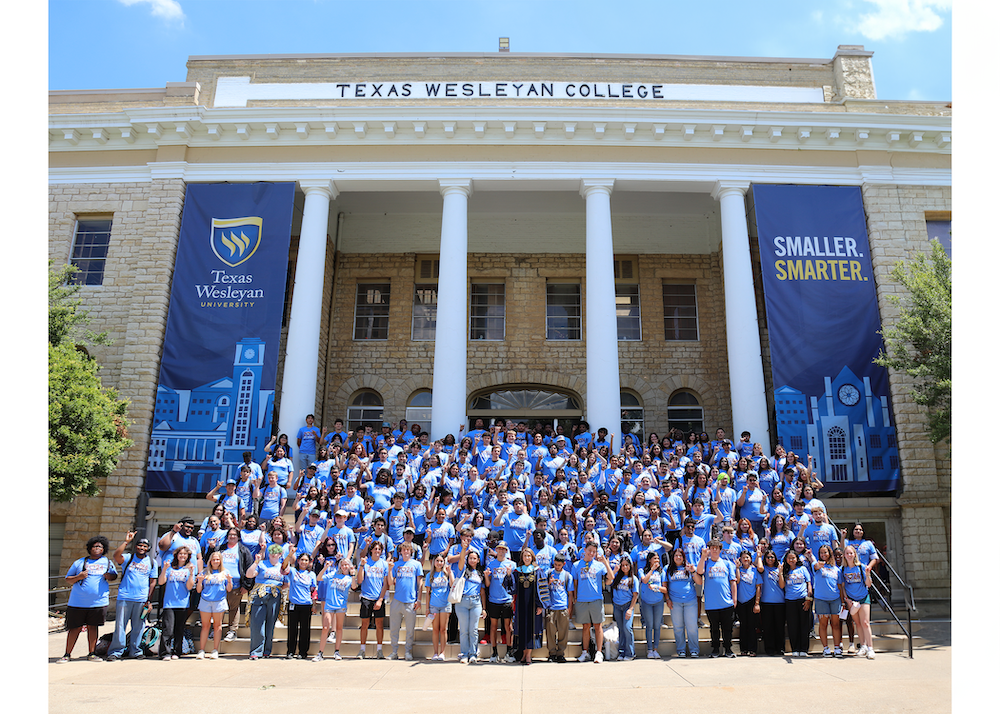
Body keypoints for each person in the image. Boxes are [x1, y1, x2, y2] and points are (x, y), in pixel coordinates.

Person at [60, 536, 119, 663]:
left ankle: (91, 653)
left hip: (99, 602)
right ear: (89, 548)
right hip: (78, 602)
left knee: (93, 627)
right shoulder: (79, 562)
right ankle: (67, 654)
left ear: (104, 549)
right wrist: (79, 576)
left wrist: (109, 576)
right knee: (74, 628)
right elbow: (68, 579)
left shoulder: (107, 563)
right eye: (94, 546)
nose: (97, 548)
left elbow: (114, 576)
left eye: (100, 546)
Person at [107, 532, 157, 661]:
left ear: (148, 548)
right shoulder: (128, 558)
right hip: (125, 597)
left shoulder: (152, 562)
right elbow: (116, 556)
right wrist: (126, 542)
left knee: (139, 626)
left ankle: (136, 650)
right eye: (139, 545)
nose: (142, 548)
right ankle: (117, 651)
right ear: (136, 547)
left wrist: (148, 599)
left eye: (144, 546)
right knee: (120, 626)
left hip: (141, 599)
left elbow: (152, 582)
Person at [696, 538, 738, 658]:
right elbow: (699, 572)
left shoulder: (727, 563)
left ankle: (728, 649)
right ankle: (715, 649)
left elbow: (733, 582)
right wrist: (703, 556)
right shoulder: (706, 562)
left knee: (727, 628)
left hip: (726, 602)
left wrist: (734, 599)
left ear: (720, 550)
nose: (714, 550)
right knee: (714, 628)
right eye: (712, 548)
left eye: (716, 548)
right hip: (711, 603)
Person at [571, 541, 612, 663]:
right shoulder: (576, 565)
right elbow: (575, 582)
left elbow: (610, 578)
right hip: (582, 599)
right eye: (589, 551)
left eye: (594, 551)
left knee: (598, 625)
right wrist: (574, 597)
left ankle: (599, 653)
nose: (591, 553)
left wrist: (605, 561)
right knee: (585, 626)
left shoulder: (599, 565)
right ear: (584, 550)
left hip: (596, 599)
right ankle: (585, 652)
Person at [246, 543, 288, 660]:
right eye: (271, 551)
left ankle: (266, 650)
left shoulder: (282, 567)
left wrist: (276, 588)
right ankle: (256, 651)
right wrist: (255, 562)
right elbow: (249, 574)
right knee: (257, 623)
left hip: (274, 596)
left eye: (276, 552)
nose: (274, 554)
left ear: (280, 554)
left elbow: (286, 583)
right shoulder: (262, 564)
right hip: (260, 594)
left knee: (270, 624)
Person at [157, 545, 196, 660]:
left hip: (182, 603)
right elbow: (161, 582)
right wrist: (164, 569)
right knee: (168, 629)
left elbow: (189, 587)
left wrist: (192, 573)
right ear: (176, 555)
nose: (182, 556)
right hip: (169, 603)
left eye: (185, 554)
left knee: (179, 629)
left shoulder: (188, 570)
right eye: (180, 554)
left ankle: (177, 651)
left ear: (188, 556)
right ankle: (165, 653)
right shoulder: (170, 568)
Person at [313, 556, 355, 661]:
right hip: (329, 604)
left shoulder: (349, 578)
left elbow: (354, 586)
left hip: (341, 605)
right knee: (325, 628)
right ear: (340, 565)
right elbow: (319, 578)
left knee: (339, 628)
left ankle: (337, 651)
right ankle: (320, 653)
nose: (345, 566)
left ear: (349, 566)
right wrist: (325, 568)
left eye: (347, 564)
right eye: (343, 564)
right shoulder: (333, 574)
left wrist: (353, 574)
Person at [388, 541, 423, 661]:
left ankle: (407, 651)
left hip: (410, 600)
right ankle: (394, 651)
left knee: (409, 629)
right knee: (394, 628)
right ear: (400, 551)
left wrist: (419, 599)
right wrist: (389, 569)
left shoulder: (416, 564)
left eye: (408, 550)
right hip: (397, 600)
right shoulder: (396, 565)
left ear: (411, 551)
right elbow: (390, 582)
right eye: (404, 550)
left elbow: (420, 583)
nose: (406, 552)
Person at [195, 549, 233, 659]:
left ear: (220, 561)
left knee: (217, 626)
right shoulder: (204, 572)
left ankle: (215, 650)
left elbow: (229, 589)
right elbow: (198, 590)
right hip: (205, 601)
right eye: (213, 559)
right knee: (205, 626)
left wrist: (230, 581)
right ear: (210, 561)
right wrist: (200, 581)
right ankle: (201, 650)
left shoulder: (225, 572)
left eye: (217, 559)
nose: (215, 561)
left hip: (219, 601)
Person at [484, 541, 517, 663]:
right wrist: (487, 576)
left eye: (504, 549)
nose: (501, 551)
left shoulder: (512, 564)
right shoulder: (491, 564)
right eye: (499, 549)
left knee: (508, 627)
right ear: (496, 550)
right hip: (494, 599)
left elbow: (513, 584)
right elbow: (487, 584)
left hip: (507, 599)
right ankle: (494, 652)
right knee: (493, 627)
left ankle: (509, 651)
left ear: (506, 551)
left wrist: (509, 574)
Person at [356, 540, 389, 659]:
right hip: (366, 597)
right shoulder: (365, 562)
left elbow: (386, 584)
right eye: (375, 549)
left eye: (379, 549)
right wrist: (361, 566)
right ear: (371, 550)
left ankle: (379, 650)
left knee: (379, 624)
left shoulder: (384, 564)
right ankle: (362, 650)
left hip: (378, 598)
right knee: (364, 624)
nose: (377, 551)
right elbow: (359, 581)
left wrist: (380, 600)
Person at [842, 545, 876, 660]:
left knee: (865, 622)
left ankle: (870, 648)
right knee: (858, 624)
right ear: (844, 556)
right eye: (847, 553)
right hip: (852, 600)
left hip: (863, 597)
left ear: (854, 554)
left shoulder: (861, 567)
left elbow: (868, 584)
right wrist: (847, 599)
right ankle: (863, 646)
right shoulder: (843, 569)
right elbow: (843, 586)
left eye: (851, 553)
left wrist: (867, 574)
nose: (849, 555)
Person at [812, 543, 846, 658]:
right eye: (821, 552)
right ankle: (825, 648)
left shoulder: (836, 569)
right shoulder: (816, 566)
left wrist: (842, 601)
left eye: (825, 552)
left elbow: (840, 586)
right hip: (821, 599)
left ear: (829, 553)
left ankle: (837, 648)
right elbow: (816, 566)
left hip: (835, 599)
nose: (823, 554)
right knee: (823, 624)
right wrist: (818, 563)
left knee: (836, 624)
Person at [455, 541, 486, 663]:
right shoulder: (462, 570)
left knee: (473, 629)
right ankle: (464, 653)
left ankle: (473, 653)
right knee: (464, 629)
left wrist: (484, 608)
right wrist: (464, 549)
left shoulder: (480, 573)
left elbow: (483, 592)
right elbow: (461, 559)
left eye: (474, 558)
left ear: (478, 560)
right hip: (462, 601)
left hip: (476, 601)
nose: (472, 560)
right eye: (470, 558)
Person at [511, 548, 544, 664]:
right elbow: (513, 589)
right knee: (522, 629)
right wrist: (507, 575)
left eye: (529, 556)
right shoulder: (517, 571)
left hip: (533, 605)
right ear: (522, 558)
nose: (527, 558)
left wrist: (540, 605)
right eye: (524, 556)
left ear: (532, 557)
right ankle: (524, 655)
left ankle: (528, 655)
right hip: (520, 605)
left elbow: (542, 589)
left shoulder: (538, 571)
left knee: (531, 629)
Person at [779, 548, 813, 657]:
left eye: (793, 558)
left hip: (803, 599)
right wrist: (780, 572)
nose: (791, 560)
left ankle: (804, 649)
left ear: (796, 558)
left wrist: (809, 598)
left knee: (804, 625)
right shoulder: (785, 571)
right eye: (789, 558)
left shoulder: (803, 569)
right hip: (790, 600)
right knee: (793, 626)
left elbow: (809, 584)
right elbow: (782, 586)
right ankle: (795, 648)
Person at [665, 548, 699, 658]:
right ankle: (681, 650)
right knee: (678, 626)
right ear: (672, 557)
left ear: (684, 557)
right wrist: (668, 599)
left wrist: (693, 571)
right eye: (676, 555)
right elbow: (665, 586)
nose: (678, 557)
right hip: (675, 602)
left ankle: (694, 650)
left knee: (692, 626)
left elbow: (699, 582)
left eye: (680, 555)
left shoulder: (688, 567)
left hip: (690, 601)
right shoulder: (667, 568)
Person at [284, 548, 317, 659]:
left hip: (306, 604)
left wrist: (314, 604)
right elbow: (283, 567)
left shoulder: (311, 574)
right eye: (302, 560)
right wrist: (290, 555)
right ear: (298, 561)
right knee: (292, 629)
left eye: (306, 560)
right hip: (294, 604)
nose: (304, 562)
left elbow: (313, 591)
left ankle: (303, 652)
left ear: (309, 562)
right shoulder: (293, 571)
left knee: (305, 629)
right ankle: (290, 651)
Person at [756, 546, 785, 656]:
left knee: (779, 627)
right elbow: (759, 568)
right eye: (768, 557)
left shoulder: (779, 569)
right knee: (768, 627)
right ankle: (770, 649)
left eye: (772, 557)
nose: (770, 559)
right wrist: (759, 556)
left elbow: (782, 586)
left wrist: (781, 572)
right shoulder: (763, 569)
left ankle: (780, 648)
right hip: (766, 602)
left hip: (779, 602)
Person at [425, 554, 454, 661]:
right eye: (437, 560)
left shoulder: (446, 574)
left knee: (443, 629)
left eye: (441, 561)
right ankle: (435, 652)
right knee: (435, 630)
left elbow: (452, 584)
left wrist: (450, 573)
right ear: (434, 562)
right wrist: (427, 608)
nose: (439, 563)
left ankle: (443, 652)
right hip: (433, 605)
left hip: (445, 605)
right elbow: (427, 593)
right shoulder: (430, 575)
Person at [638, 552, 666, 659]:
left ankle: (656, 649)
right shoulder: (642, 570)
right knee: (649, 626)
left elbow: (665, 589)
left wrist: (656, 587)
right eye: (655, 558)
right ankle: (649, 649)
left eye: (658, 559)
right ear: (649, 560)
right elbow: (644, 580)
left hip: (658, 601)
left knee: (657, 626)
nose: (657, 561)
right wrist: (651, 569)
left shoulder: (661, 572)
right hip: (646, 602)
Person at [735, 550, 762, 656]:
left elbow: (758, 587)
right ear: (740, 559)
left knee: (751, 626)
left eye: (747, 557)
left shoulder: (754, 571)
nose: (745, 559)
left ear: (751, 559)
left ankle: (752, 649)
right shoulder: (738, 570)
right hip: (740, 601)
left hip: (751, 600)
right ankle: (743, 649)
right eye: (743, 557)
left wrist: (757, 603)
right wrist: (737, 568)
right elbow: (737, 581)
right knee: (743, 625)